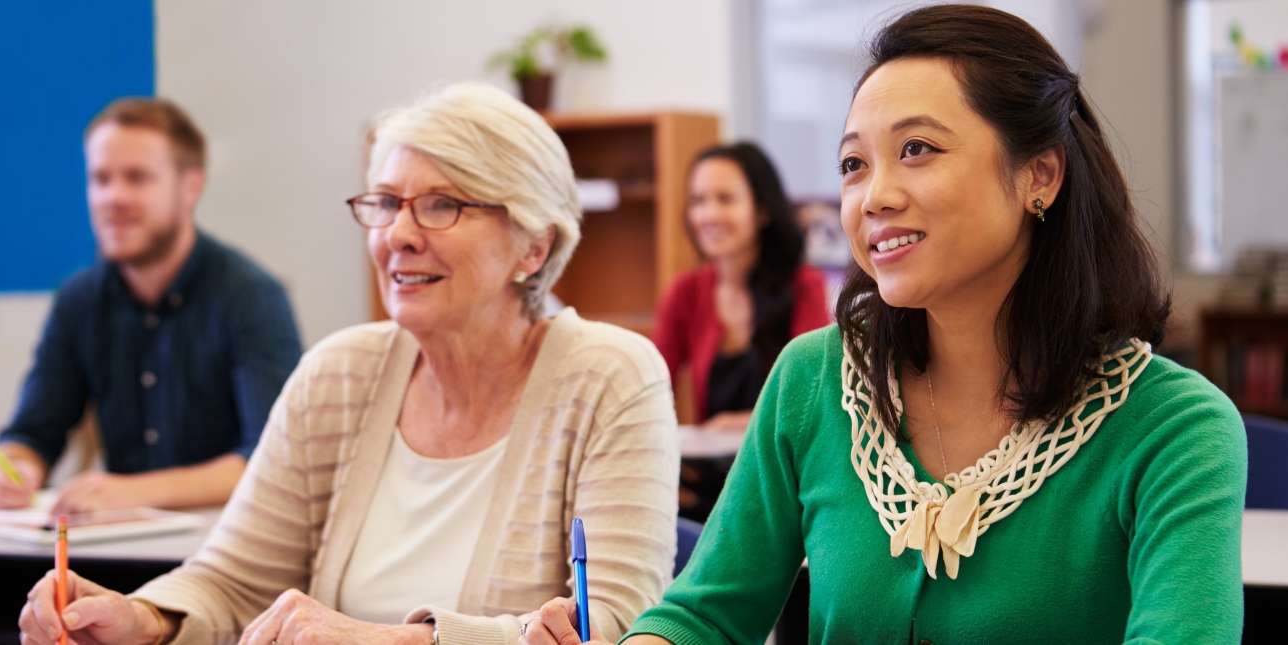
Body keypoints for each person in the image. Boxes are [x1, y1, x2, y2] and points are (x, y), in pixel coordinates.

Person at [523, 5, 1246, 645]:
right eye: (852, 164)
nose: (875, 197)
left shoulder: (1174, 428)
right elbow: (707, 615)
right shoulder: (814, 378)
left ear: (1041, 176)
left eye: (918, 150)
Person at [19, 82, 679, 645]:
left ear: (534, 245)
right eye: (386, 202)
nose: (398, 233)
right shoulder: (337, 374)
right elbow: (232, 578)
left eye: (443, 204)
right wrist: (140, 617)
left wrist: (383, 638)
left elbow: (617, 627)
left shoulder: (610, 377)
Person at [0, 98, 302, 514]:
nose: (113, 197)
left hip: (222, 551)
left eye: (137, 178)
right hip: (117, 547)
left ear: (190, 186)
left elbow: (273, 460)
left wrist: (134, 490)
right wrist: (16, 468)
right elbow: (34, 432)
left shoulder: (250, 296)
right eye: (101, 179)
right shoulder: (79, 299)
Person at [652, 143, 830, 521]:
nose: (708, 214)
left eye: (725, 199)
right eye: (698, 200)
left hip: (787, 484)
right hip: (712, 487)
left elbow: (815, 396)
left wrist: (745, 421)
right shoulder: (686, 292)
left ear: (762, 210)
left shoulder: (804, 287)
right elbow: (649, 385)